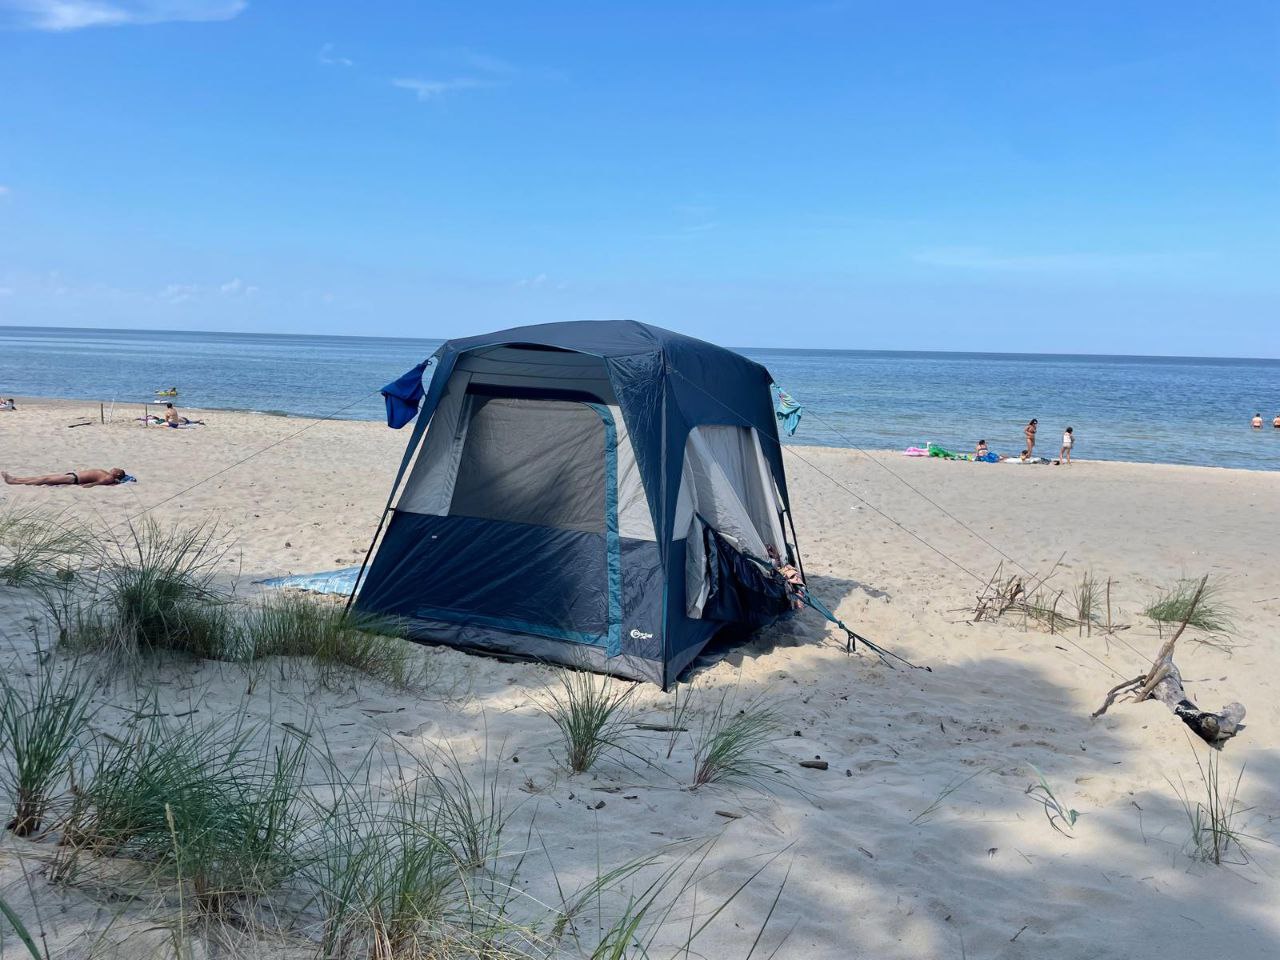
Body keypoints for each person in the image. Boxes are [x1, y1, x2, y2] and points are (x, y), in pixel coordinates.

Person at [3, 467, 128, 487]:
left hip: (74, 479)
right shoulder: (109, 476)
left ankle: (14, 482)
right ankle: (16, 479)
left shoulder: (109, 478)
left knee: (45, 480)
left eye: (117, 469)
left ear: (117, 474)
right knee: (44, 477)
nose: (114, 468)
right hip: (72, 476)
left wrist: (85, 485)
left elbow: (93, 485)